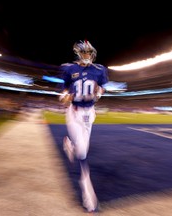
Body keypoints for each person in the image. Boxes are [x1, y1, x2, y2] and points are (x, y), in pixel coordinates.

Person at [59, 40, 109, 213]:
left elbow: (102, 87)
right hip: (74, 112)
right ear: (79, 53)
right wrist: (64, 97)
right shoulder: (69, 69)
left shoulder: (99, 70)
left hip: (90, 114)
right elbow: (64, 89)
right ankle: (88, 195)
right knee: (82, 155)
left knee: (83, 149)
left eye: (89, 53)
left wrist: (99, 93)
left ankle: (69, 144)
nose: (88, 56)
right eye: (85, 53)